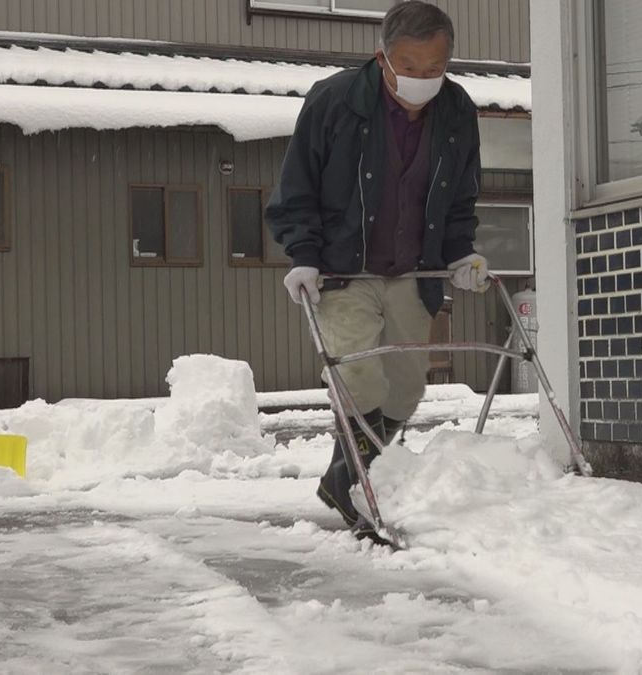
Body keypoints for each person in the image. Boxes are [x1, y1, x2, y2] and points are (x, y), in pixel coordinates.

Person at [265, 0, 488, 535]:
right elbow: (298, 186)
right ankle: (361, 493)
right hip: (345, 270)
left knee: (406, 390)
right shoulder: (336, 101)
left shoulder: (457, 110)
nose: (421, 80)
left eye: (434, 70)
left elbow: (461, 194)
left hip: (416, 270)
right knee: (359, 378)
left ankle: (345, 482)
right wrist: (303, 255)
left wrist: (460, 253)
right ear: (382, 58)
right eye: (409, 68)